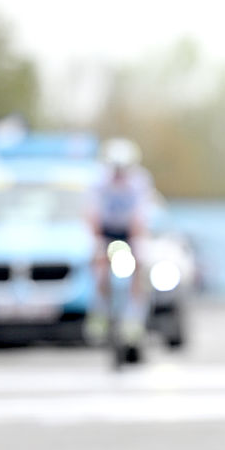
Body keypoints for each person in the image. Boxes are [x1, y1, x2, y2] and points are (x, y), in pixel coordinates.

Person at [85, 137, 159, 349]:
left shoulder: (140, 181)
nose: (119, 174)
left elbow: (141, 216)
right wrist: (97, 242)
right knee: (97, 262)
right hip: (106, 229)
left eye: (123, 169)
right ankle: (98, 313)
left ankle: (134, 319)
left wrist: (137, 243)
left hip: (129, 230)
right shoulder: (98, 181)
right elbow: (92, 215)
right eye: (115, 169)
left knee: (140, 264)